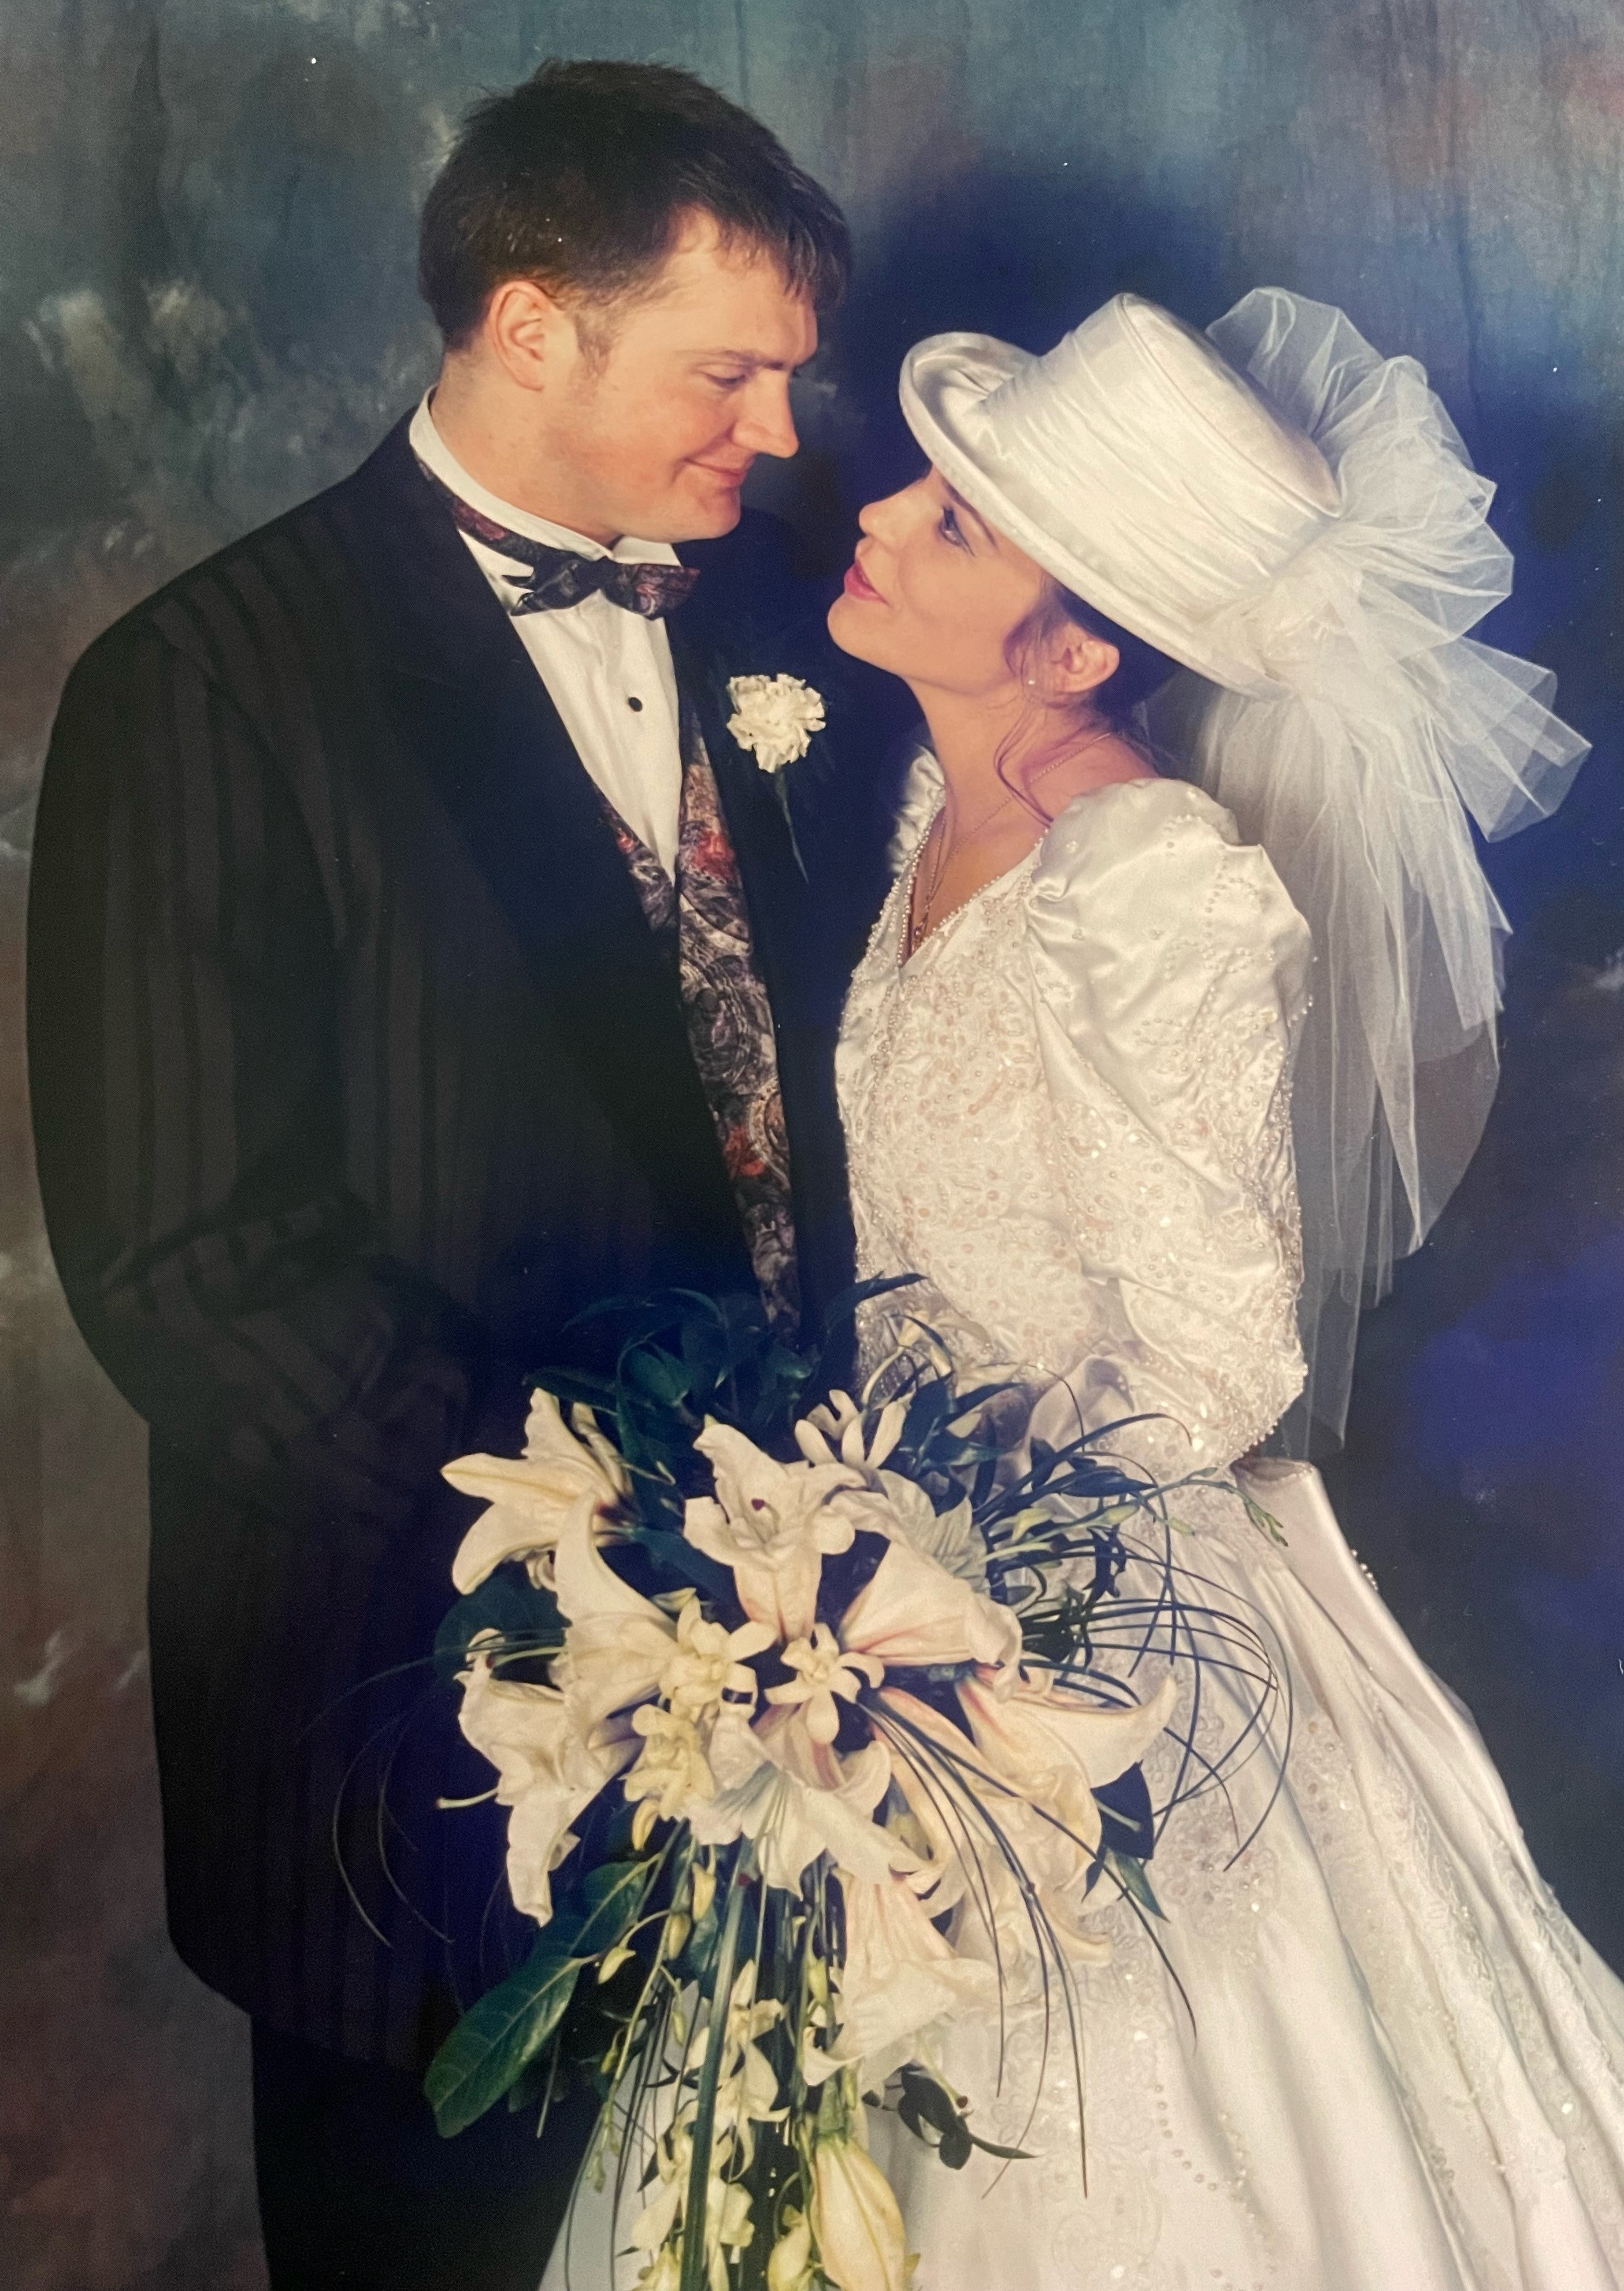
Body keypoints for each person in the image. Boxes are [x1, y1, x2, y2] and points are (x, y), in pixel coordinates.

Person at [25, 58, 903, 2291]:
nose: (779, 433)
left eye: (787, 380)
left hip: (813, 1706)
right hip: (408, 1728)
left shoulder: (787, 626)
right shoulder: (206, 687)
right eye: (729, 374)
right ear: (530, 326)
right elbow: (195, 1266)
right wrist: (621, 1560)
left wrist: (797, 1599)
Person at [824, 290, 1624, 2285]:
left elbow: (1212, 1345)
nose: (879, 513)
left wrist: (962, 1579)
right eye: (920, 487)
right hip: (874, 1589)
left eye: (951, 522)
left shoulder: (1144, 870)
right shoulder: (940, 804)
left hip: (1089, 1611)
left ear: (1076, 649)